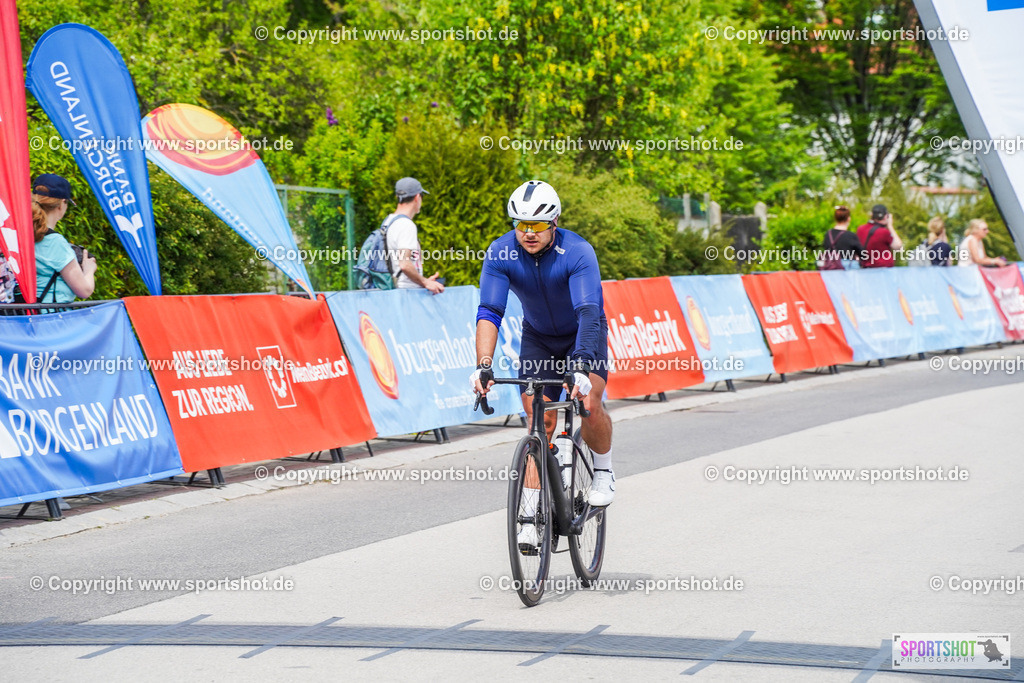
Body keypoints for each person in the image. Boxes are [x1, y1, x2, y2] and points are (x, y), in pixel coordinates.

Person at [471, 180, 615, 548]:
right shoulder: (501, 253)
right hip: (538, 338)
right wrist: (483, 365)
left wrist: (581, 365)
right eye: (520, 225)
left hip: (584, 333)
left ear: (554, 222)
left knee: (589, 404)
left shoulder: (578, 251)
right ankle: (530, 517)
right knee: (540, 422)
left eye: (536, 226)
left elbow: (588, 310)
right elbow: (490, 310)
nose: (528, 233)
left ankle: (603, 472)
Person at [32, 174, 96, 304]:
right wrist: (89, 269)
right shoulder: (55, 242)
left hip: (18, 318)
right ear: (62, 204)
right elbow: (84, 290)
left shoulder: (19, 236)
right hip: (49, 318)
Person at [385, 177, 444, 293]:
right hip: (406, 294)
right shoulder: (406, 225)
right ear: (417, 197)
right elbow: (404, 264)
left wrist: (423, 281)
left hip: (395, 291)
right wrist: (425, 282)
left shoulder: (388, 221)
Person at [819, 205, 866, 270]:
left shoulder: (828, 234)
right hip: (848, 266)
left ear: (835, 218)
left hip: (831, 266)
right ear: (849, 219)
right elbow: (862, 253)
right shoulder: (850, 235)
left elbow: (826, 248)